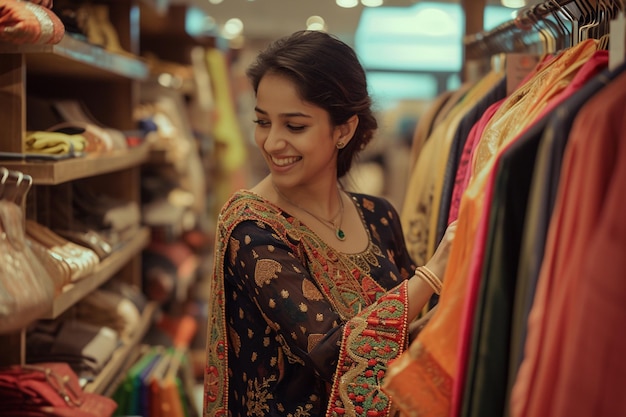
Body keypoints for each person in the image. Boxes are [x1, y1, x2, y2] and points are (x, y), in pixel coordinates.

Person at [203, 30, 458, 417]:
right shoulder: (253, 229)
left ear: (344, 129)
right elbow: (331, 352)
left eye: (295, 126)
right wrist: (434, 274)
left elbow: (405, 336)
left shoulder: (378, 216)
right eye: (262, 122)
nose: (271, 142)